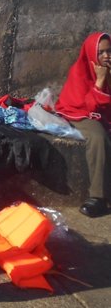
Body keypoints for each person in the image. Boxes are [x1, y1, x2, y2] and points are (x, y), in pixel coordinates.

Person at [55, 32, 111, 218]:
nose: (106, 56)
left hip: (104, 113)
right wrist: (101, 81)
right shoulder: (80, 72)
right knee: (98, 137)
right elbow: (89, 106)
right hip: (80, 113)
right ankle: (98, 197)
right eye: (101, 52)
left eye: (109, 51)